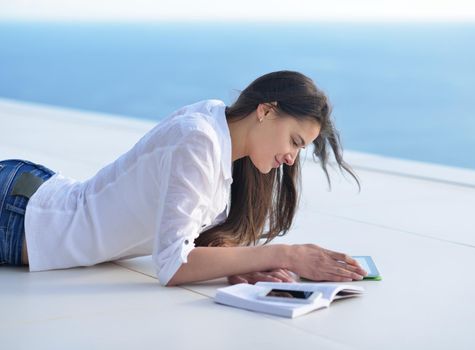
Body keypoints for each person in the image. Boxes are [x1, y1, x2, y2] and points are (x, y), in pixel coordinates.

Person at [0, 70, 367, 286]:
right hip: (20, 216)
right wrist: (286, 254)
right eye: (294, 141)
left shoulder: (222, 132)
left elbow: (189, 233)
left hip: (32, 196)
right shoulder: (199, 139)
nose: (291, 157)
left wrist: (246, 265)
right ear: (266, 112)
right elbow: (173, 265)